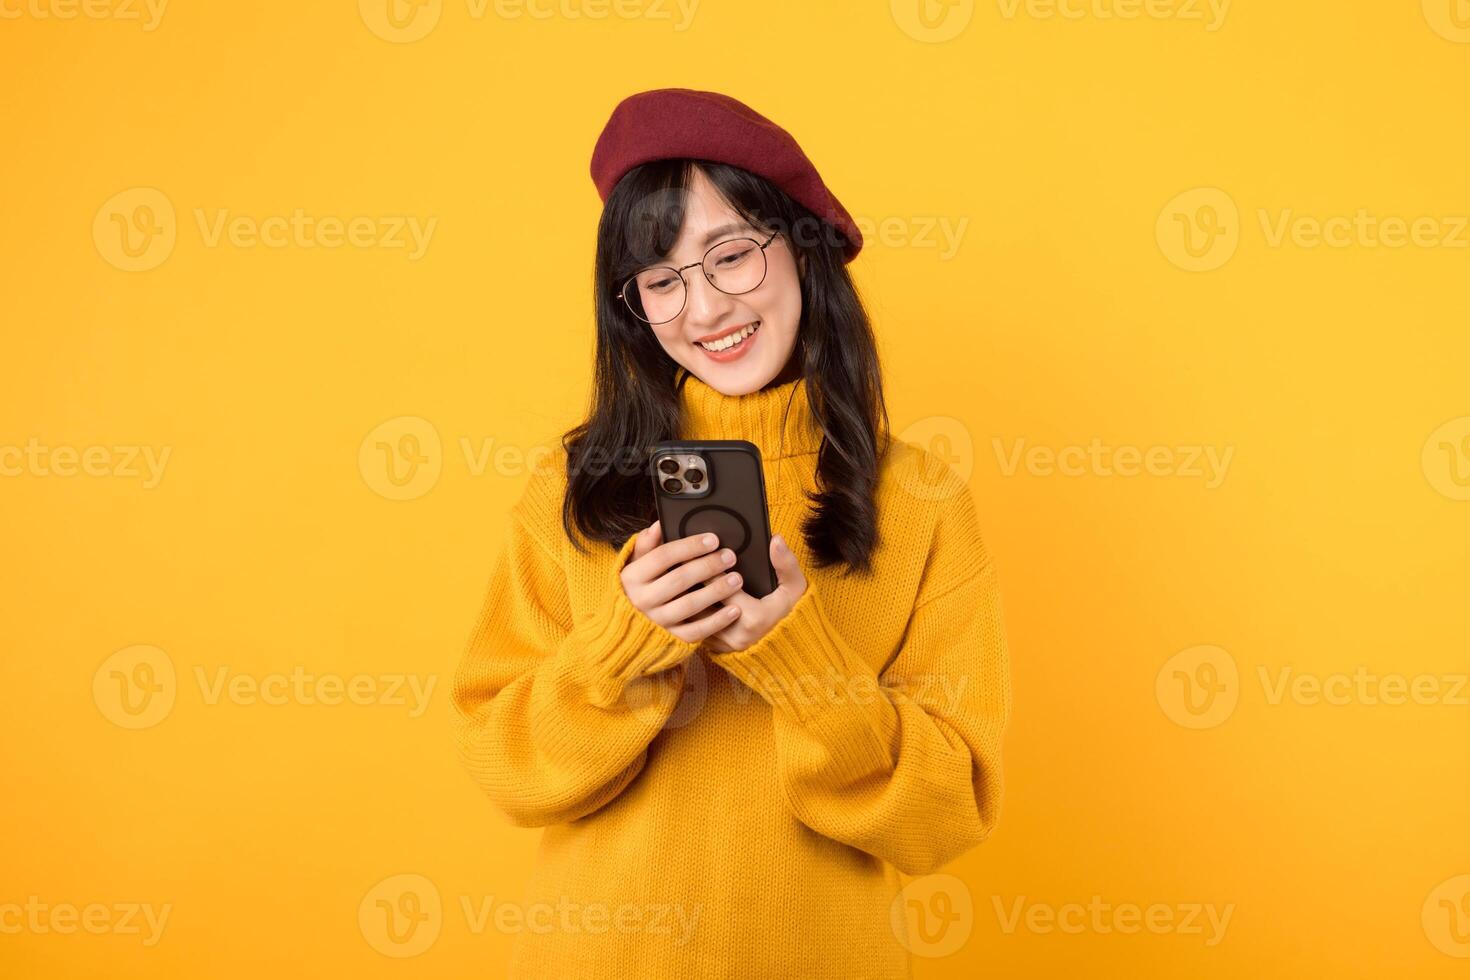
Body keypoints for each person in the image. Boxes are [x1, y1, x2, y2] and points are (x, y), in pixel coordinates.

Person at [450, 87, 1012, 979]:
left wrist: (802, 661)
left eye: (732, 256)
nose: (705, 310)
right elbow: (506, 768)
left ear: (803, 248)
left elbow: (944, 819)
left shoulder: (923, 501)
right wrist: (624, 648)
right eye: (662, 280)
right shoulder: (572, 490)